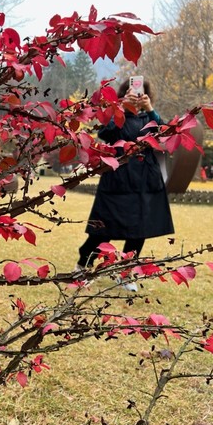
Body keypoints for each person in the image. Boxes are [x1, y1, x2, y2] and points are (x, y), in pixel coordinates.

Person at [75, 78, 174, 291]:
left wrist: (151, 110)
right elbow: (105, 133)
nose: (137, 95)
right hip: (117, 178)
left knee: (140, 229)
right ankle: (83, 264)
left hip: (145, 181)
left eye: (141, 92)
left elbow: (166, 136)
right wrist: (121, 107)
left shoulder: (151, 118)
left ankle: (126, 273)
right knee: (103, 228)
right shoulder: (117, 114)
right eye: (132, 91)